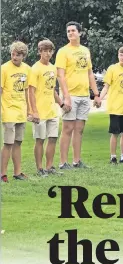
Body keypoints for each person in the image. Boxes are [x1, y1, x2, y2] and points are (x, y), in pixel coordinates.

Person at [56, 21, 101, 169]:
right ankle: (63, 162)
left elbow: (89, 73)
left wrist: (96, 94)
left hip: (84, 95)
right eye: (68, 31)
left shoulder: (85, 51)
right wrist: (66, 97)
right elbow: (60, 76)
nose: (70, 33)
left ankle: (77, 161)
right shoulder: (63, 51)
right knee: (67, 129)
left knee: (79, 130)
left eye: (73, 31)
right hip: (71, 95)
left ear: (80, 33)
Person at [29, 40, 65, 177]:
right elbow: (30, 91)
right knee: (40, 139)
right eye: (45, 51)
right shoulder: (35, 68)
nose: (48, 53)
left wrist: (61, 103)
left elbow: (52, 89)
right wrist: (34, 111)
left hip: (52, 110)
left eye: (50, 51)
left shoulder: (52, 68)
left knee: (53, 138)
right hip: (40, 111)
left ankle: (49, 167)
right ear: (39, 52)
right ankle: (39, 169)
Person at [1, 42, 31, 182]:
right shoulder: (4, 69)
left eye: (18, 55)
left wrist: (29, 109)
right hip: (8, 110)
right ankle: (2, 174)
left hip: (21, 111)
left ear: (23, 56)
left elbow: (26, 91)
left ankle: (17, 172)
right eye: (13, 54)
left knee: (18, 142)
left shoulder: (27, 69)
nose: (14, 57)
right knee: (8, 143)